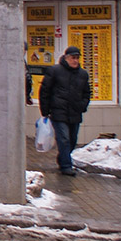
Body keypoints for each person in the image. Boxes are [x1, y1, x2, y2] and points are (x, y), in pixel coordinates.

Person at [39, 45, 93, 176]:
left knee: (73, 140)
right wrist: (45, 111)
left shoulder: (82, 74)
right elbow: (45, 91)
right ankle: (66, 166)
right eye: (72, 58)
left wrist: (82, 105)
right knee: (64, 139)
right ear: (66, 58)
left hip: (75, 112)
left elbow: (87, 93)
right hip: (59, 112)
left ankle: (62, 158)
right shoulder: (55, 71)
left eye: (77, 58)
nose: (75, 61)